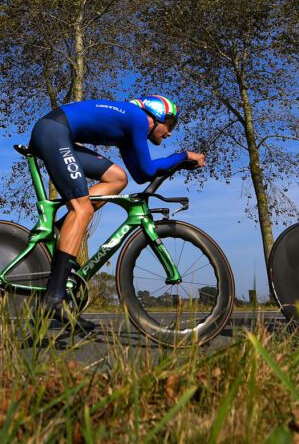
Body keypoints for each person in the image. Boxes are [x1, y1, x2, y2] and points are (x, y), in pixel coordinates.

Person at [27, 95, 206, 331]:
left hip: (59, 134)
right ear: (156, 115)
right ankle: (53, 299)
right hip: (53, 132)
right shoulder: (138, 119)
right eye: (170, 125)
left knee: (117, 178)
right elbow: (149, 168)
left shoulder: (129, 129)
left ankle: (63, 229)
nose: (170, 133)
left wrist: (177, 163)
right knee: (82, 209)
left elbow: (141, 174)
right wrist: (183, 156)